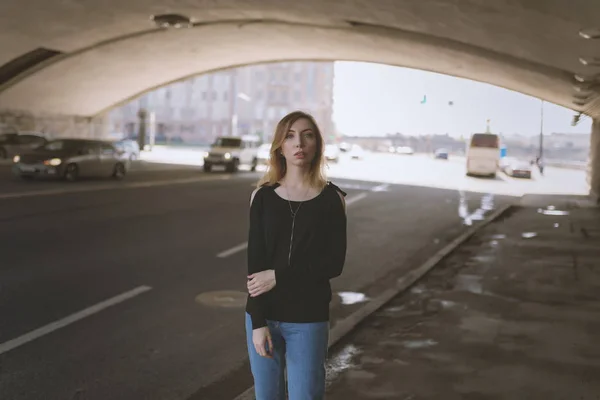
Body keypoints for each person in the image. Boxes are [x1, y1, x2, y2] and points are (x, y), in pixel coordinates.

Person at [245, 111, 347, 399]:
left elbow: (333, 263)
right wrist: (258, 322)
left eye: (307, 135)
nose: (299, 143)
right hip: (265, 315)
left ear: (317, 145)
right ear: (280, 146)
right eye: (290, 136)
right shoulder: (261, 197)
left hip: (308, 317)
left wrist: (279, 276)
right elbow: (255, 263)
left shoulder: (332, 199)